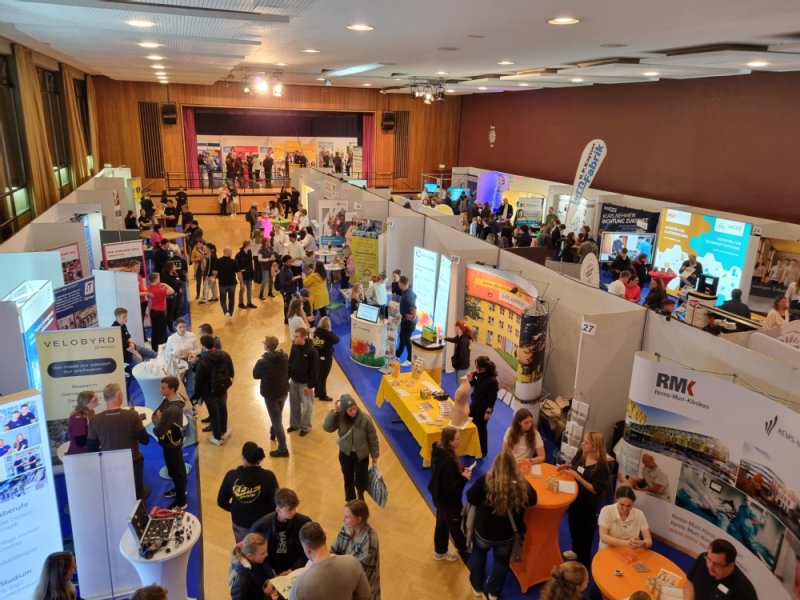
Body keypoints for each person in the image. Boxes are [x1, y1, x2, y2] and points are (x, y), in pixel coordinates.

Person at [467, 451, 537, 599]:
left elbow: (471, 497)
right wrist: (522, 477)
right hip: (507, 535)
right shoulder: (521, 485)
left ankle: (477, 586)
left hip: (484, 531)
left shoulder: (485, 481)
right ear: (514, 467)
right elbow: (533, 500)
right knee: (501, 562)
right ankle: (494, 592)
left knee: (478, 555)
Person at [87, 383, 150, 499]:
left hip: (109, 464)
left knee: (115, 495)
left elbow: (91, 448)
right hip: (133, 460)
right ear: (119, 395)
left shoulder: (94, 421)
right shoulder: (132, 415)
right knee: (137, 493)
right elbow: (145, 440)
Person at [559, 431, 610, 567]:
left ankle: (583, 562)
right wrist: (568, 467)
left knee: (585, 535)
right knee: (573, 527)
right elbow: (575, 467)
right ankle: (575, 551)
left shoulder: (602, 468)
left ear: (595, 447)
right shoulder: (582, 454)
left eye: (586, 442)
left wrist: (577, 477)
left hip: (587, 505)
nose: (583, 443)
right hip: (575, 499)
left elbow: (595, 489)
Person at [289, 522, 372, 600]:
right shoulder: (353, 563)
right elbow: (366, 596)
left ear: (307, 549)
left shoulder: (299, 586)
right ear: (325, 535)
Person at [218, 442, 280, 541]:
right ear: (259, 459)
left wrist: (234, 508)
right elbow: (275, 503)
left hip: (239, 524)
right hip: (262, 524)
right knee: (261, 550)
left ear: (243, 457)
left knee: (243, 550)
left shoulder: (231, 476)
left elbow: (221, 501)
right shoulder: (269, 477)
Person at [322, 394, 379, 501]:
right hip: (345, 454)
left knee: (361, 480)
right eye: (350, 410)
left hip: (361, 455)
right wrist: (334, 412)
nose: (353, 411)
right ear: (344, 411)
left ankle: (361, 497)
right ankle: (351, 500)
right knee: (348, 478)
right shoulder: (339, 419)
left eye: (354, 408)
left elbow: (372, 437)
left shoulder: (365, 419)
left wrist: (374, 455)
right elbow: (327, 427)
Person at [428, 426, 471, 561]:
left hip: (439, 496)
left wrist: (460, 472)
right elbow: (452, 488)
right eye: (457, 439)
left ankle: (440, 551)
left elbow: (447, 477)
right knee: (455, 524)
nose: (460, 440)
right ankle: (464, 547)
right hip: (448, 501)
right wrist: (464, 478)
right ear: (450, 441)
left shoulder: (439, 452)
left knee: (442, 523)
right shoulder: (447, 461)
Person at [250, 488, 312, 575]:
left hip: (296, 572)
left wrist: (293, 569)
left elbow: (310, 549)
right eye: (290, 510)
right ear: (278, 510)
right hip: (271, 574)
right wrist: (269, 571)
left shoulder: (304, 522)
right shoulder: (260, 527)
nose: (294, 512)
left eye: (295, 508)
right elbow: (256, 555)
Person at [331, 499, 381, 599]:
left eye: (347, 517)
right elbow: (333, 552)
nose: (343, 520)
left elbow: (359, 574)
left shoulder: (370, 540)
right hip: (343, 578)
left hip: (362, 590)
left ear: (359, 519)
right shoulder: (347, 527)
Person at [152, 376, 188, 510]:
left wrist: (160, 420)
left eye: (163, 388)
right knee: (177, 469)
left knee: (176, 471)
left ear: (172, 389)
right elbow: (155, 415)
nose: (160, 390)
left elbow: (158, 430)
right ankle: (180, 490)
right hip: (171, 441)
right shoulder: (168, 399)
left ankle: (181, 502)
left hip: (171, 443)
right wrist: (160, 419)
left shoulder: (172, 409)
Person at [253, 336, 291, 458]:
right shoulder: (284, 357)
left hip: (270, 395)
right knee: (277, 415)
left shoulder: (262, 362)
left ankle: (283, 448)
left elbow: (255, 375)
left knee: (277, 421)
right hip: (283, 391)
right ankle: (273, 432)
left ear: (267, 347)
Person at [193, 334, 234, 445]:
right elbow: (231, 371)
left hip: (209, 392)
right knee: (223, 409)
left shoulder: (203, 361)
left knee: (213, 413)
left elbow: (199, 381)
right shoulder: (225, 355)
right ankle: (224, 430)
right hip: (223, 388)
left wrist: (196, 396)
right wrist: (228, 384)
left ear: (203, 346)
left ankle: (217, 437)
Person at [685, 538, 757, 600]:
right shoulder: (703, 559)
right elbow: (690, 581)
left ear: (731, 565)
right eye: (709, 559)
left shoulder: (745, 592)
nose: (710, 566)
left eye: (717, 564)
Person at [598, 486, 652, 550]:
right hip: (608, 550)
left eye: (629, 506)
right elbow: (603, 537)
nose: (625, 509)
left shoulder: (639, 514)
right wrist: (628, 543)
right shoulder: (606, 511)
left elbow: (649, 541)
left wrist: (643, 543)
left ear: (633, 503)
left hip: (630, 553)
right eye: (622, 504)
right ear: (616, 500)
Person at [288, 327, 319, 437]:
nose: (294, 338)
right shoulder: (294, 347)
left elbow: (315, 371)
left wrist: (310, 386)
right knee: (294, 405)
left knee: (307, 407)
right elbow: (290, 363)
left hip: (305, 385)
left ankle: (305, 427)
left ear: (303, 337)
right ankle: (295, 424)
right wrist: (287, 379)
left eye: (296, 337)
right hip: (293, 382)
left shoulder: (312, 352)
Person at [229, 532, 279, 600]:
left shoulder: (255, 559)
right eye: (262, 553)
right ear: (250, 556)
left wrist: (270, 579)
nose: (266, 554)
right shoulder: (241, 583)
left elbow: (265, 564)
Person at [468, 356, 499, 458]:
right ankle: (472, 448)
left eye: (478, 366)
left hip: (483, 409)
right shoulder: (479, 374)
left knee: (481, 429)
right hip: (475, 404)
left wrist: (488, 412)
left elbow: (492, 399)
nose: (476, 368)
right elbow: (474, 383)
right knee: (472, 426)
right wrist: (470, 379)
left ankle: (482, 450)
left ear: (484, 367)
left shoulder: (492, 381)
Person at [165, 317, 201, 395]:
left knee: (191, 385)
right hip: (178, 364)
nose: (182, 329)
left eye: (184, 326)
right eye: (180, 327)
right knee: (179, 385)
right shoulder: (171, 339)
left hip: (190, 361)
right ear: (176, 328)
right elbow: (167, 353)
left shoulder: (192, 335)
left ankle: (192, 403)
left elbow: (198, 350)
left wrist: (190, 352)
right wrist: (175, 352)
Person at [312, 316, 339, 401]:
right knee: (323, 377)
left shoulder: (316, 332)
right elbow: (337, 340)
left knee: (318, 375)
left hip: (316, 357)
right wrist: (330, 332)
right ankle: (322, 396)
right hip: (326, 358)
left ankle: (316, 392)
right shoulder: (328, 335)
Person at [147, 271, 175, 351]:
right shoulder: (160, 290)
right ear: (156, 279)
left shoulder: (150, 287)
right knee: (162, 331)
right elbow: (172, 291)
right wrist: (166, 285)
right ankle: (163, 348)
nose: (160, 279)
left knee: (155, 331)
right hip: (160, 313)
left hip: (153, 312)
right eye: (159, 277)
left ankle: (155, 348)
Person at [214, 246, 244, 321]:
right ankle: (230, 314)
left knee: (223, 299)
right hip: (232, 284)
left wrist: (214, 277)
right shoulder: (233, 262)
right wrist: (242, 283)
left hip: (222, 284)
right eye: (231, 252)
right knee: (232, 299)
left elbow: (214, 272)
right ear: (227, 252)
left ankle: (226, 312)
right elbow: (239, 273)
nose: (231, 253)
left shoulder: (218, 261)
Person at [66, 390, 98, 455]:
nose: (98, 401)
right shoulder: (78, 418)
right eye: (95, 400)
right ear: (86, 403)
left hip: (88, 451)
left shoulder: (90, 412)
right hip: (79, 455)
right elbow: (80, 442)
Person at [396, 275, 417, 366]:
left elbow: (414, 307)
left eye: (399, 282)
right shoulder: (409, 292)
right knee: (402, 337)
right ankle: (397, 354)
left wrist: (413, 316)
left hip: (408, 322)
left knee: (407, 339)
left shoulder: (407, 296)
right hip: (405, 321)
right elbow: (415, 296)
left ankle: (410, 359)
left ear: (401, 283)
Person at [236, 240, 258, 309]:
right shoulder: (239, 255)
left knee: (249, 289)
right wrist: (241, 273)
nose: (251, 246)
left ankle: (249, 303)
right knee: (242, 289)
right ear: (246, 246)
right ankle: (240, 303)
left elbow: (251, 264)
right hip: (243, 275)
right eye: (250, 245)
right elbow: (237, 266)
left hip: (249, 274)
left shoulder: (249, 253)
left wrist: (253, 273)